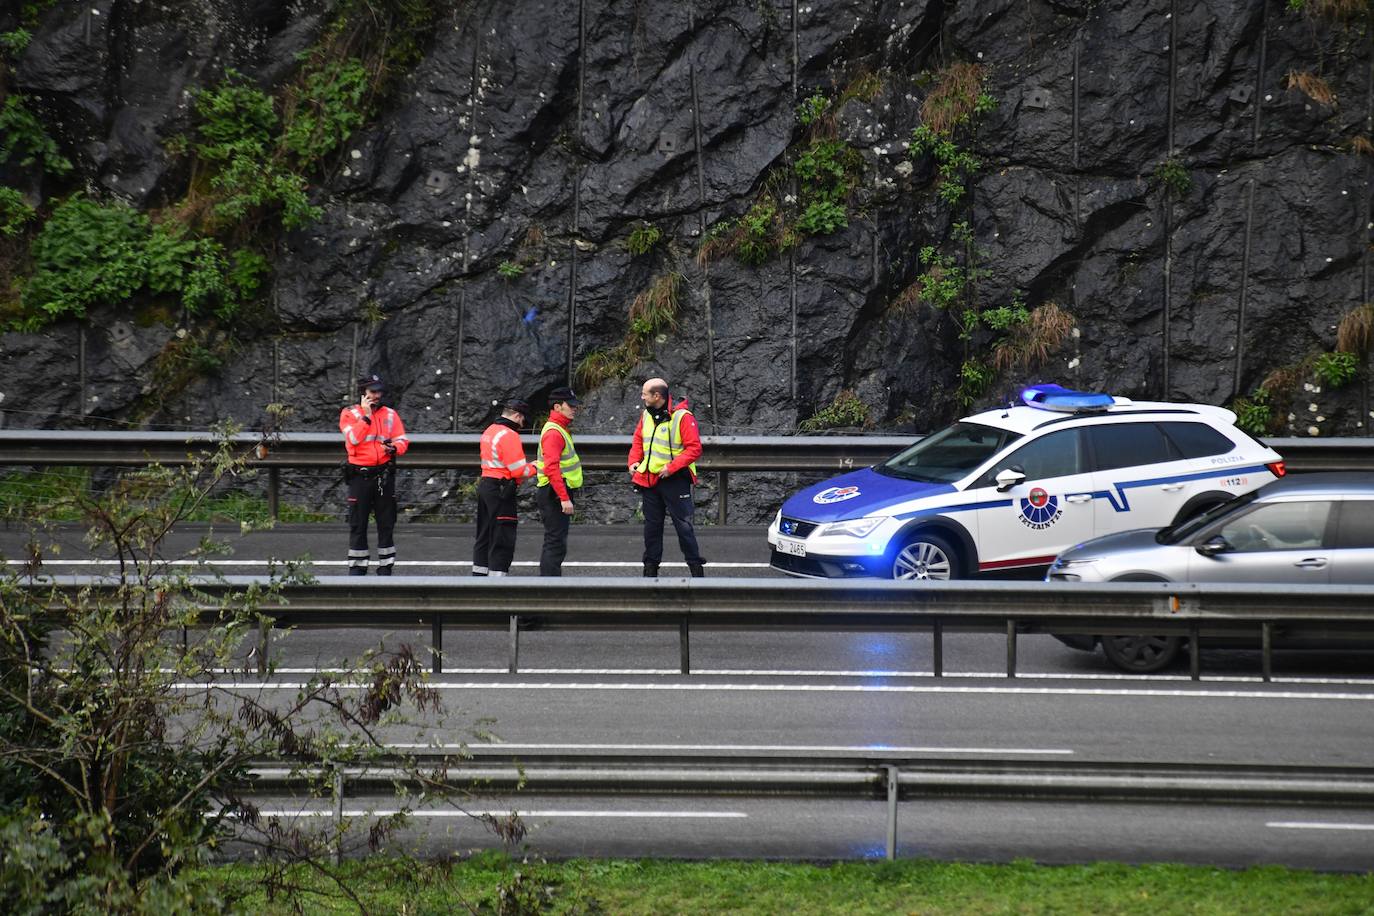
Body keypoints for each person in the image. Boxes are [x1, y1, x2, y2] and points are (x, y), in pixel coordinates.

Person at [627, 377, 705, 577]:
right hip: (651, 480)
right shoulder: (646, 415)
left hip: (675, 480)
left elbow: (694, 449)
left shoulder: (682, 417)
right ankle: (650, 571)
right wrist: (633, 462)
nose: (641, 396)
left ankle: (696, 571)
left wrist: (671, 467)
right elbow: (638, 441)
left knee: (683, 527)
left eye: (645, 393)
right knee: (652, 528)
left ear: (657, 396)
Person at [339, 373, 409, 575]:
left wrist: (394, 448)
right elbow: (353, 438)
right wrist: (366, 416)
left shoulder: (390, 414)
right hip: (359, 477)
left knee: (386, 523)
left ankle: (386, 566)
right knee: (358, 523)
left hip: (383, 476)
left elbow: (403, 440)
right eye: (372, 392)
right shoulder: (349, 413)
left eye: (379, 391)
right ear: (363, 393)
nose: (377, 395)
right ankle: (358, 568)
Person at [474, 398, 536, 577]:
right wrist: (536, 467)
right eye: (523, 420)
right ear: (517, 416)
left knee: (484, 535)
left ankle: (478, 579)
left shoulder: (490, 430)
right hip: (501, 490)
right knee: (502, 535)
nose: (523, 424)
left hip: (486, 485)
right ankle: (497, 582)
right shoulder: (509, 435)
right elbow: (518, 471)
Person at [535, 386, 583, 576]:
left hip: (554, 490)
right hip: (554, 492)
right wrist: (564, 498)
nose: (574, 408)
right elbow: (551, 468)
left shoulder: (559, 429)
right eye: (569, 405)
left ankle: (551, 584)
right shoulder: (554, 433)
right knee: (555, 542)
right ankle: (549, 587)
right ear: (557, 407)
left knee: (556, 541)